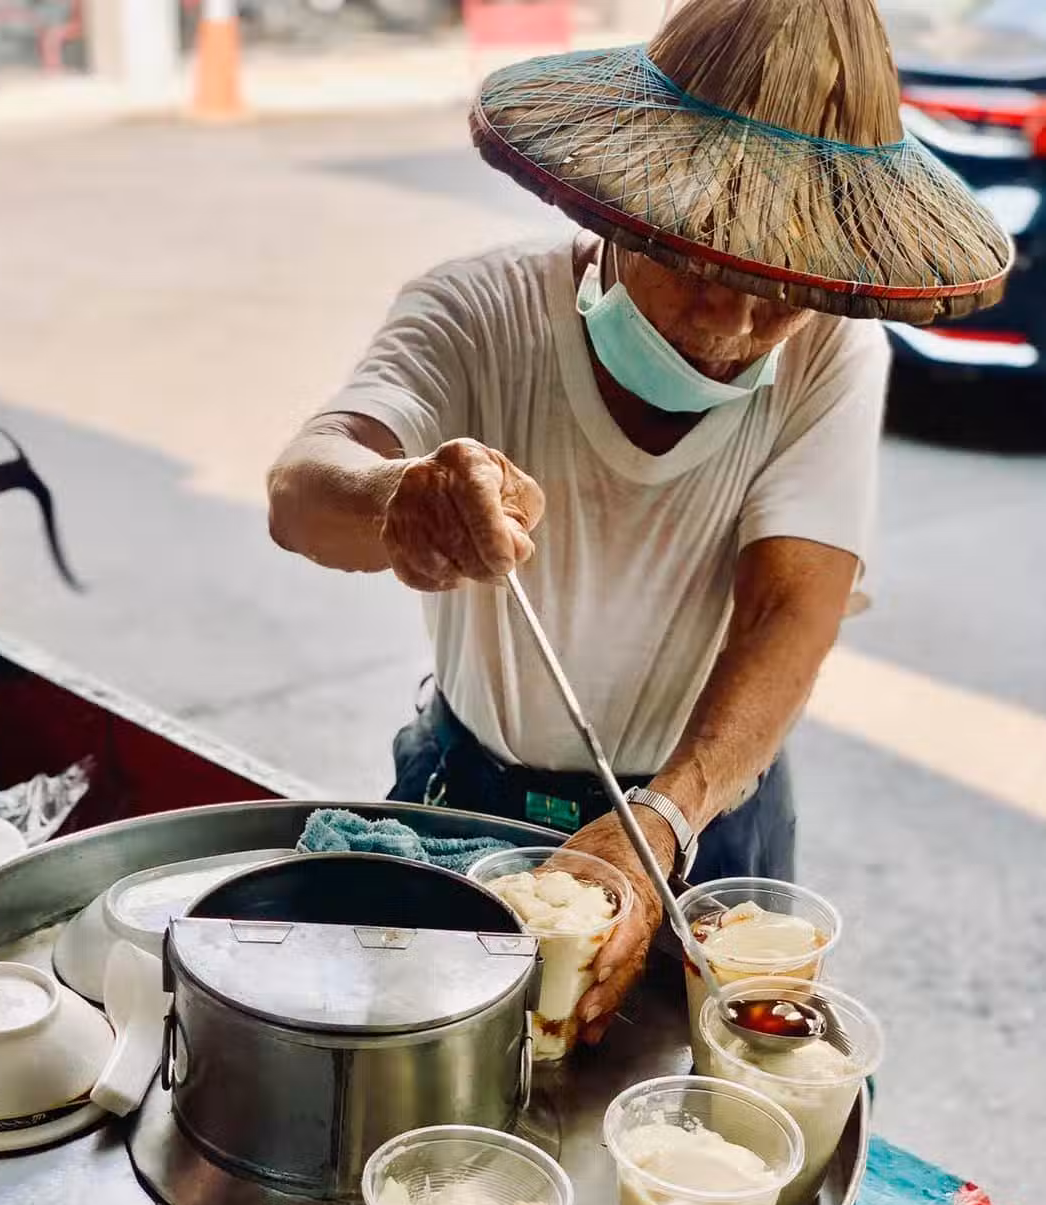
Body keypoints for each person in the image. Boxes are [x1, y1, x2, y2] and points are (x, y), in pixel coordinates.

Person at [267, 0, 1009, 1043]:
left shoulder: (830, 355)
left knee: (707, 1076)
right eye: (701, 263)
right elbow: (303, 490)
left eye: (778, 288)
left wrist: (663, 815)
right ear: (624, 209)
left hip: (705, 803)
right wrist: (398, 501)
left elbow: (793, 607)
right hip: (473, 786)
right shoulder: (477, 313)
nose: (732, 326)